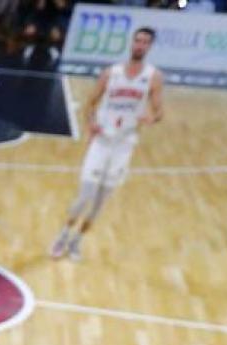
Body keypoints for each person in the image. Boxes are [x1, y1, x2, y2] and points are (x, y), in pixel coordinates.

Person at [51, 25, 162, 263]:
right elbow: (91, 103)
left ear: (150, 46)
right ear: (131, 42)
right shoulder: (111, 73)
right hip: (103, 140)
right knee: (85, 195)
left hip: (124, 144)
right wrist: (91, 123)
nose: (140, 45)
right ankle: (62, 236)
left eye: (145, 42)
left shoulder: (153, 76)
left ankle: (76, 242)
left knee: (100, 202)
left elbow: (159, 111)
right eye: (137, 40)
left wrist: (150, 118)